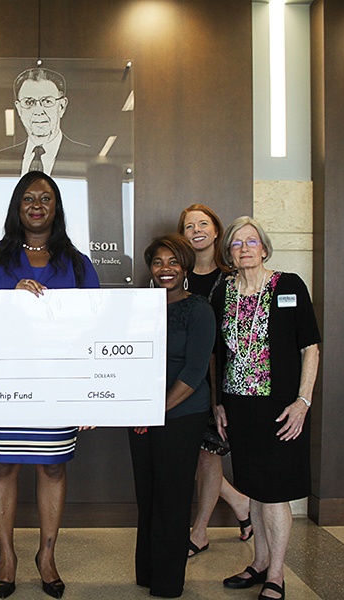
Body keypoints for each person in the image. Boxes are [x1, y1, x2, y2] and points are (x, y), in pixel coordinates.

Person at [0, 171, 100, 599]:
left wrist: (88, 392)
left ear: (57, 207)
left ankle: (47, 555)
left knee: (52, 466)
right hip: (3, 382)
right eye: (28, 198)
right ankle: (7, 555)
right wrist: (11, 300)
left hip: (57, 385)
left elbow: (95, 326)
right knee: (2, 465)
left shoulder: (77, 263)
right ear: (17, 207)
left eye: (46, 198)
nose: (37, 204)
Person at [212, 217, 320, 600]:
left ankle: (276, 574)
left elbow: (310, 347)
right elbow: (217, 354)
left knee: (275, 493)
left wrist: (303, 401)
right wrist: (219, 403)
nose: (245, 248)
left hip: (281, 409)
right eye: (237, 243)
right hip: (240, 409)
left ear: (264, 247)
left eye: (251, 241)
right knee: (255, 488)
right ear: (228, 253)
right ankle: (258, 563)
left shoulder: (288, 285)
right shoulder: (221, 293)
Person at [129, 234, 215, 598]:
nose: (165, 269)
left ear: (186, 268)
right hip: (141, 416)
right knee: (147, 494)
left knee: (173, 496)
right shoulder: (139, 307)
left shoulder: (199, 310)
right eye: (158, 262)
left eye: (173, 262)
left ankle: (168, 583)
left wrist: (155, 410)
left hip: (181, 415)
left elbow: (195, 374)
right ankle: (148, 573)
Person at [177, 204, 253, 556]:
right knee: (189, 451)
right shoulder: (177, 274)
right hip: (185, 376)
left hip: (222, 376)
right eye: (189, 225)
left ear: (217, 230)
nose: (196, 230)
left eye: (203, 223)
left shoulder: (233, 276)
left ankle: (201, 531)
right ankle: (239, 502)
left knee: (208, 454)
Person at [0, 68, 90, 175]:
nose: (38, 111)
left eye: (47, 101)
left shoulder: (89, 158)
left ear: (62, 106)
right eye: (28, 102)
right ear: (19, 109)